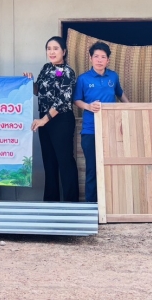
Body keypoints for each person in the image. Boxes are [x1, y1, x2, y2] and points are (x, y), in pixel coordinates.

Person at [24, 36, 79, 202]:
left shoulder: (68, 72)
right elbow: (38, 91)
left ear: (64, 51)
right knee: (49, 162)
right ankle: (50, 202)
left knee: (65, 162)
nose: (52, 52)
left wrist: (44, 120)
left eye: (56, 48)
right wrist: (29, 82)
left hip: (61, 121)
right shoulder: (46, 68)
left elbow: (63, 100)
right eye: (49, 49)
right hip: (45, 121)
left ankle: (71, 202)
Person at [73, 41, 130, 203]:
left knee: (111, 168)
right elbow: (76, 100)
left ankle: (111, 204)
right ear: (90, 58)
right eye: (96, 56)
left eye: (103, 57)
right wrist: (88, 106)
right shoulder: (83, 79)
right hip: (90, 131)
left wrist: (130, 108)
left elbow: (120, 94)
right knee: (92, 169)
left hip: (112, 130)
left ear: (108, 60)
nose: (99, 60)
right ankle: (91, 206)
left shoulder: (113, 76)